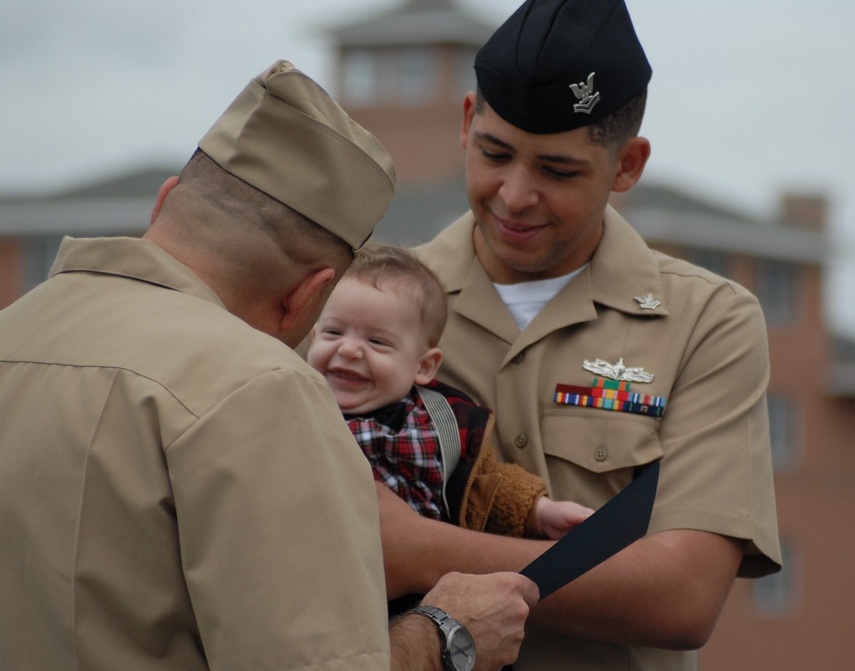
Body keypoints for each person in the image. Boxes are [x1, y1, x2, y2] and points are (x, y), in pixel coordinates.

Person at [0, 60, 537, 671]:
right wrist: (447, 635)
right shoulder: (260, 385)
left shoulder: (12, 332)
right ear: (309, 294)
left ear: (165, 202)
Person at [372, 1, 784, 669]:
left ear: (628, 165)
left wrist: (410, 546)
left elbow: (682, 597)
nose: (513, 194)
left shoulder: (708, 323)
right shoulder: (365, 305)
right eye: (495, 152)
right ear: (467, 120)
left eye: (558, 171)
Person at [307, 243, 592, 545]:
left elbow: (487, 487)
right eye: (333, 333)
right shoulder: (292, 408)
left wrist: (543, 512)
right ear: (313, 337)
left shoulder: (442, 424)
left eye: (377, 342)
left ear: (424, 366)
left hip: (425, 578)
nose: (348, 350)